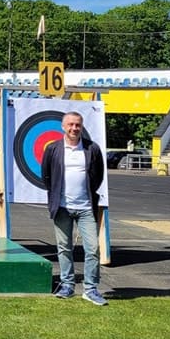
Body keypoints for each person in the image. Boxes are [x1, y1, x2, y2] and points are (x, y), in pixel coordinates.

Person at [40, 111, 107, 306]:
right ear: (63, 126)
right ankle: (67, 285)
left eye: (77, 125)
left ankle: (90, 289)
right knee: (64, 248)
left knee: (93, 249)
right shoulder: (53, 149)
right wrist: (56, 195)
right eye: (70, 124)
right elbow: (46, 176)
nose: (74, 128)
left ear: (82, 127)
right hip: (62, 208)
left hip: (86, 208)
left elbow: (98, 175)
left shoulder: (92, 149)